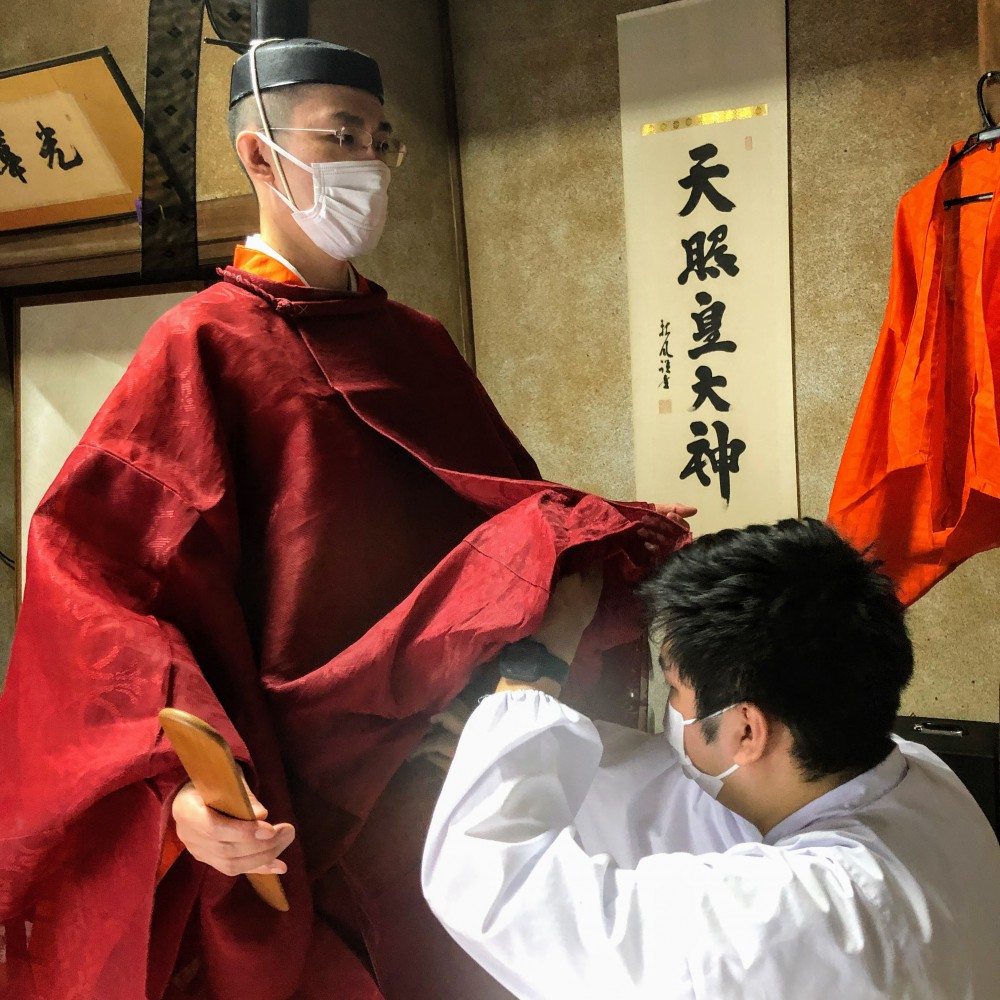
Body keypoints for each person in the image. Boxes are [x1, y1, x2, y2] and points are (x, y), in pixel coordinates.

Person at [0, 35, 692, 1000]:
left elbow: (516, 526)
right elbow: (99, 584)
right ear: (258, 153)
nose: (366, 162)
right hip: (295, 796)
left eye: (378, 139)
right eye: (338, 135)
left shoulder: (417, 343)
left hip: (449, 768)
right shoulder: (199, 346)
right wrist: (180, 786)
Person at [423, 517, 1000, 1000]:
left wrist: (534, 669)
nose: (668, 708)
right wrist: (509, 759)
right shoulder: (919, 776)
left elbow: (502, 892)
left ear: (748, 730)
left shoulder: (794, 921)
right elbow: (684, 798)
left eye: (674, 689)